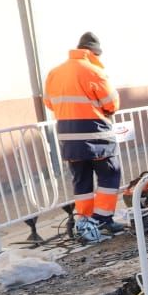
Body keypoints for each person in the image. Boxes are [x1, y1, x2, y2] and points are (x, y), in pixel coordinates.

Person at [44, 32, 123, 244]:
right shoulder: (94, 71)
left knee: (81, 181)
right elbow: (112, 104)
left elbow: (49, 103)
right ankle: (103, 219)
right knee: (109, 175)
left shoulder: (54, 73)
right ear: (94, 52)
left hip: (69, 137)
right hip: (96, 135)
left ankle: (85, 221)